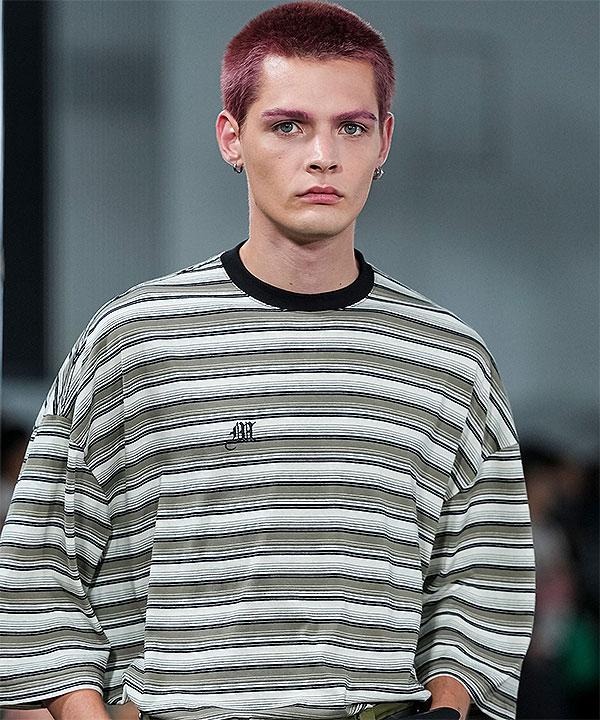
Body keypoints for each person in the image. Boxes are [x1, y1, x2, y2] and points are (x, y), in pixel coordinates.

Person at [0, 3, 536, 720]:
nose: (323, 156)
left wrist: (450, 706)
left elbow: (485, 576)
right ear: (232, 137)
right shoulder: (135, 342)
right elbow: (39, 563)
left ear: (385, 140)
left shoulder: (448, 362)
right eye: (288, 126)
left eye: (352, 127)